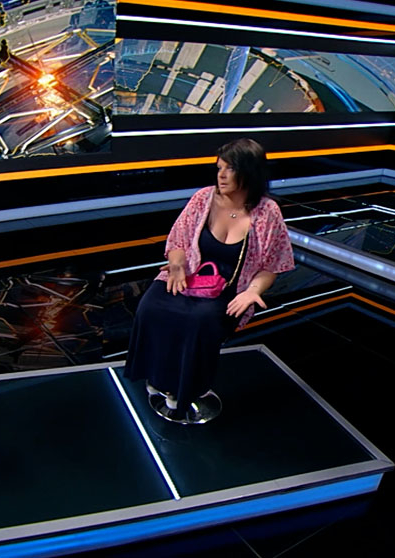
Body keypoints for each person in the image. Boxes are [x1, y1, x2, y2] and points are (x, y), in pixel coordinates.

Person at [124, 138, 294, 421]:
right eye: (219, 168)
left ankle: (188, 389)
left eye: (230, 169)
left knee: (199, 321)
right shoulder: (203, 198)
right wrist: (176, 263)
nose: (221, 175)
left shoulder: (268, 212)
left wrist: (252, 291)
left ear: (249, 171)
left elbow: (273, 265)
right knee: (150, 307)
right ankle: (156, 377)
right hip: (189, 275)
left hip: (230, 288)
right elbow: (178, 240)